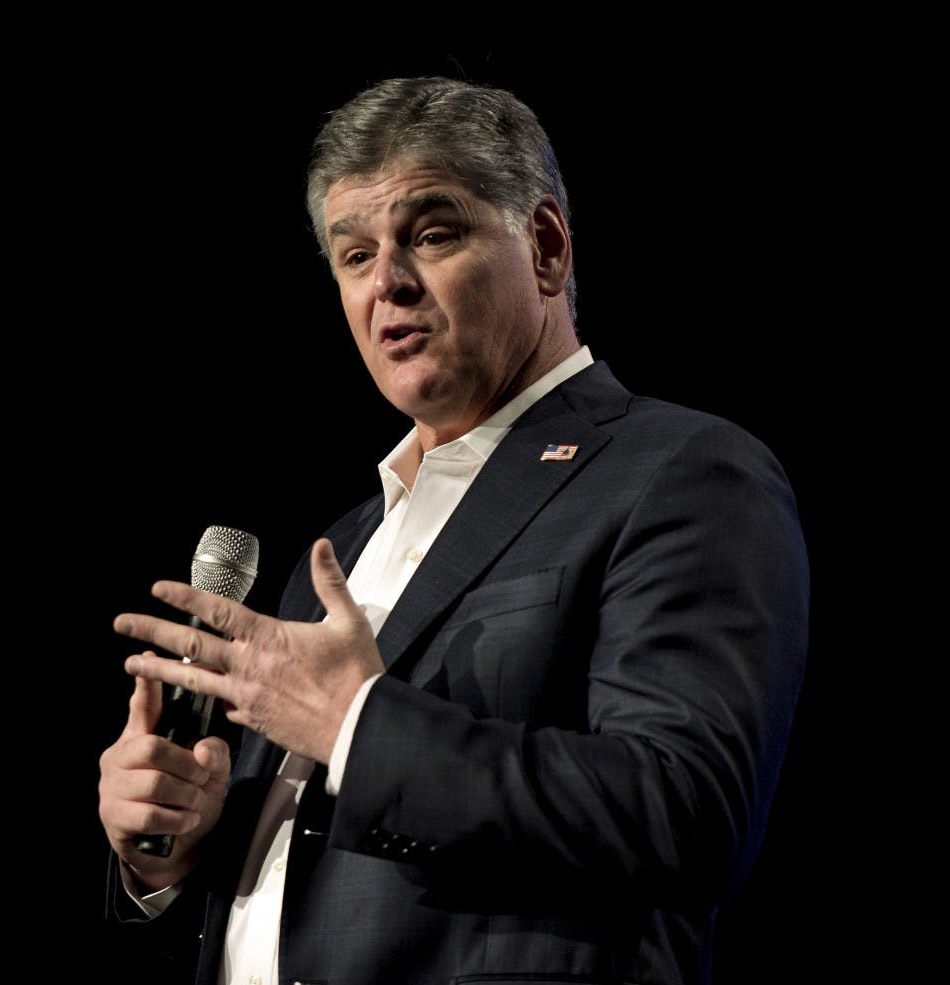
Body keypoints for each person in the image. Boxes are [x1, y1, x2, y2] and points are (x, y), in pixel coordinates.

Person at [98, 75, 810, 985]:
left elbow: (686, 813)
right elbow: (306, 889)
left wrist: (356, 724)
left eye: (432, 235)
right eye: (354, 255)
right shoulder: (340, 549)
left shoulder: (679, 472)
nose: (387, 283)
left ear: (545, 248)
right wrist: (174, 850)